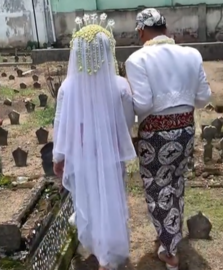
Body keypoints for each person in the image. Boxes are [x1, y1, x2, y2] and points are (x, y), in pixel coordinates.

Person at [125, 8, 212, 270]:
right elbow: (204, 98)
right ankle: (168, 238)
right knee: (175, 184)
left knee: (157, 190)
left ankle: (170, 253)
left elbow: (142, 105)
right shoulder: (191, 54)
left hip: (156, 136)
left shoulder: (137, 59)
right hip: (185, 130)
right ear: (165, 28)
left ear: (141, 31)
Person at [52, 13, 136, 270]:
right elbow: (127, 122)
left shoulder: (67, 87)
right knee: (111, 198)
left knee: (89, 198)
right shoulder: (120, 85)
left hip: (82, 155)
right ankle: (107, 254)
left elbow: (60, 125)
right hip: (110, 155)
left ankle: (99, 249)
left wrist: (59, 157)